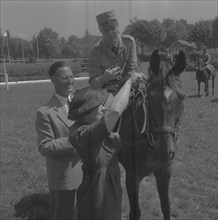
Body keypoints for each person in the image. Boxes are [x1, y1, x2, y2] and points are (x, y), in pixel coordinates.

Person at [68, 72, 145, 220]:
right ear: (86, 112)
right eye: (100, 107)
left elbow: (119, 109)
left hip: (110, 192)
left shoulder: (94, 128)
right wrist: (129, 82)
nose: (104, 109)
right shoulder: (81, 134)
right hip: (98, 197)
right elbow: (115, 111)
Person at [35, 61, 83, 220]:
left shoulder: (81, 101)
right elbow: (45, 146)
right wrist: (77, 140)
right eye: (64, 78)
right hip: (65, 180)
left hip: (88, 176)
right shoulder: (45, 112)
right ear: (52, 80)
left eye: (72, 76)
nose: (70, 81)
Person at [88, 10, 141, 95]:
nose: (111, 34)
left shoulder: (129, 42)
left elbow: (133, 69)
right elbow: (93, 84)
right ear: (100, 30)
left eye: (113, 28)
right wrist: (104, 78)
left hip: (129, 90)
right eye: (106, 31)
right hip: (106, 95)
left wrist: (134, 77)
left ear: (118, 26)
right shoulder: (95, 52)